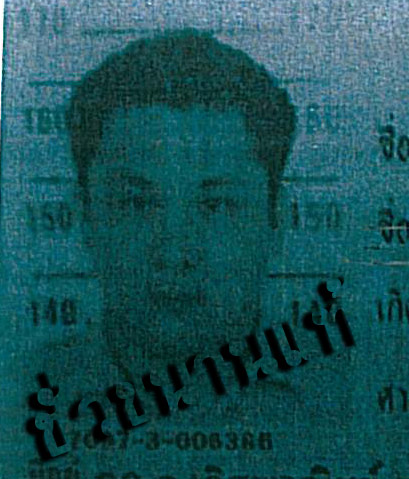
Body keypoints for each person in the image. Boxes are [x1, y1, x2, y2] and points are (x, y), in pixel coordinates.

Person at [65, 28, 296, 379]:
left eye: (217, 206)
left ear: (276, 219)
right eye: (136, 204)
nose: (175, 254)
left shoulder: (352, 392)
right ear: (85, 217)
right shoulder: (17, 388)